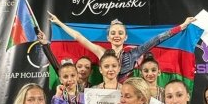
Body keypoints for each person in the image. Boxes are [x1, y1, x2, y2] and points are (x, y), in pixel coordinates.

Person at [47, 13, 195, 80]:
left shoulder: (134, 53)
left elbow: (157, 39)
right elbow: (79, 37)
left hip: (127, 95)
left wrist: (181, 26)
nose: (116, 35)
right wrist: (60, 23)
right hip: (106, 95)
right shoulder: (101, 52)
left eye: (120, 33)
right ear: (108, 37)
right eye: (113, 33)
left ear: (125, 37)